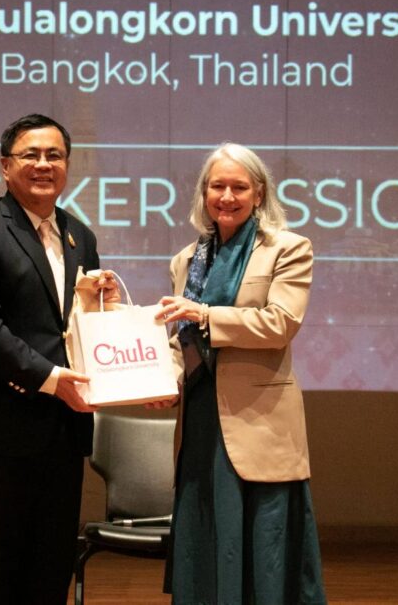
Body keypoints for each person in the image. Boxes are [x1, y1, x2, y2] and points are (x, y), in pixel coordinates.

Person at [0, 113, 116, 604]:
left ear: (68, 165)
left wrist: (110, 313)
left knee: (51, 570)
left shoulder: (81, 235)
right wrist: (50, 377)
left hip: (65, 429)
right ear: (5, 166)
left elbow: (85, 325)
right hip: (4, 427)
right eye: (31, 155)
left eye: (54, 155)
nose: (44, 164)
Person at [155, 142, 327, 605]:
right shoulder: (186, 259)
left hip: (260, 422)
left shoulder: (288, 249)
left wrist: (206, 314)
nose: (226, 196)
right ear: (203, 193)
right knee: (205, 541)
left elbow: (280, 324)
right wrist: (163, 383)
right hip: (201, 421)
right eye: (217, 186)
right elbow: (181, 341)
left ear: (259, 192)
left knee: (263, 555)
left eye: (239, 186)